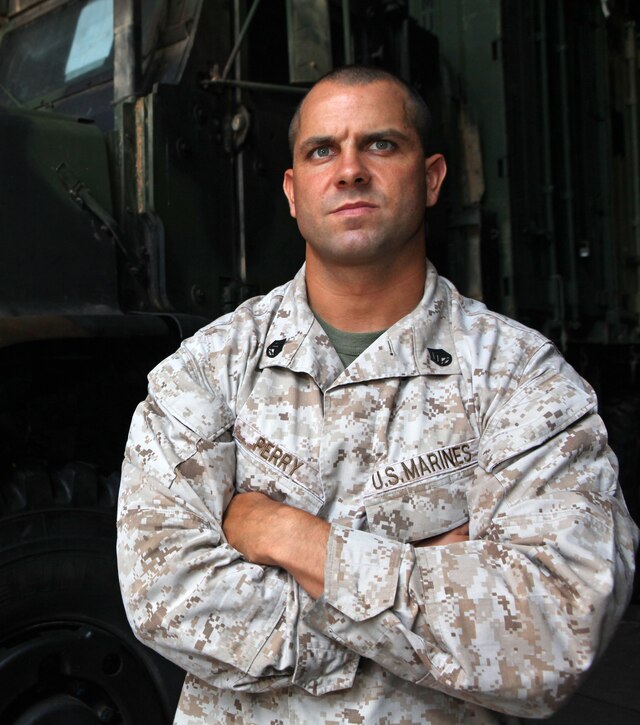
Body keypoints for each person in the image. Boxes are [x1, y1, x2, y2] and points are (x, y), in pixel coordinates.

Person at [116, 65, 639, 723]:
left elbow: (551, 630)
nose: (351, 170)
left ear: (432, 178)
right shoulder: (205, 371)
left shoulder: (523, 380)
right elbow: (166, 594)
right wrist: (429, 594)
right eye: (321, 150)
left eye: (381, 144)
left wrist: (287, 536)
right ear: (293, 191)